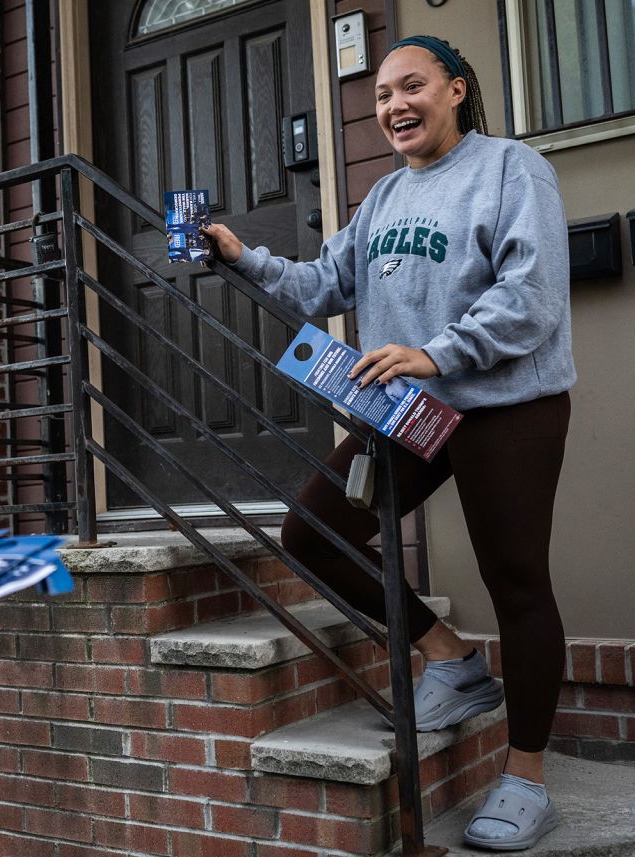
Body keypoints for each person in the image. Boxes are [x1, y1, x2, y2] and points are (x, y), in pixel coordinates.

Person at [202, 35, 573, 852]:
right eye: (382, 96)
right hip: (411, 412)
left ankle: (527, 776)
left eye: (413, 86)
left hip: (506, 405)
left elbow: (533, 297)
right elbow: (318, 285)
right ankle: (450, 660)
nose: (395, 106)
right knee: (312, 533)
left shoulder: (513, 169)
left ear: (457, 89)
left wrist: (436, 352)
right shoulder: (379, 200)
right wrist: (240, 256)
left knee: (516, 580)